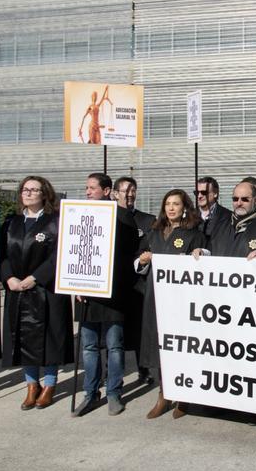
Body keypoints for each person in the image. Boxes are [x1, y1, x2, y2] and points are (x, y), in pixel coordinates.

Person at [1, 176, 71, 411]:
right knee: (23, 339)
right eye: (25, 189)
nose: (28, 193)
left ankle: (49, 385)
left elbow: (59, 255)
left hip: (45, 289)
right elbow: (1, 254)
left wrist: (35, 278)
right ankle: (32, 385)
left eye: (34, 190)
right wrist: (9, 277)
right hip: (17, 290)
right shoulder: (11, 222)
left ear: (44, 194)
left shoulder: (56, 221)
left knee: (49, 339)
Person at [74, 172, 140, 417]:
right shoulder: (78, 215)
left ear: (106, 190)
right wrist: (76, 284)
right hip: (86, 295)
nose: (87, 192)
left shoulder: (123, 217)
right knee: (89, 347)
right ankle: (90, 394)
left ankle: (114, 392)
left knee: (114, 346)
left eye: (92, 188)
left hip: (113, 295)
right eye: (87, 187)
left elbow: (129, 258)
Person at [135, 189, 204, 419]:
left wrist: (199, 254)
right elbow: (138, 259)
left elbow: (204, 260)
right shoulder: (154, 232)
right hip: (155, 297)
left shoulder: (193, 233)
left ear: (185, 207)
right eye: (168, 204)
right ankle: (164, 394)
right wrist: (142, 260)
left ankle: (184, 396)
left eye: (176, 204)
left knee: (179, 346)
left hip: (180, 301)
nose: (171, 208)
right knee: (158, 347)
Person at [115, 176, 156, 386]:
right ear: (114, 194)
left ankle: (144, 367)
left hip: (138, 282)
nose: (129, 195)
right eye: (125, 191)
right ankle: (113, 371)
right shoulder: (108, 217)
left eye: (133, 191)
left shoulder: (147, 220)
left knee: (140, 328)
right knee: (115, 333)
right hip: (114, 284)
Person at [195, 180, 256, 261]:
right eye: (235, 199)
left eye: (245, 199)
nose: (239, 203)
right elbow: (212, 249)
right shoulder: (221, 224)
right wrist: (203, 252)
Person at [196, 176, 230, 245]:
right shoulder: (190, 216)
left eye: (204, 192)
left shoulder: (228, 217)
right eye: (197, 192)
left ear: (215, 194)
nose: (199, 196)